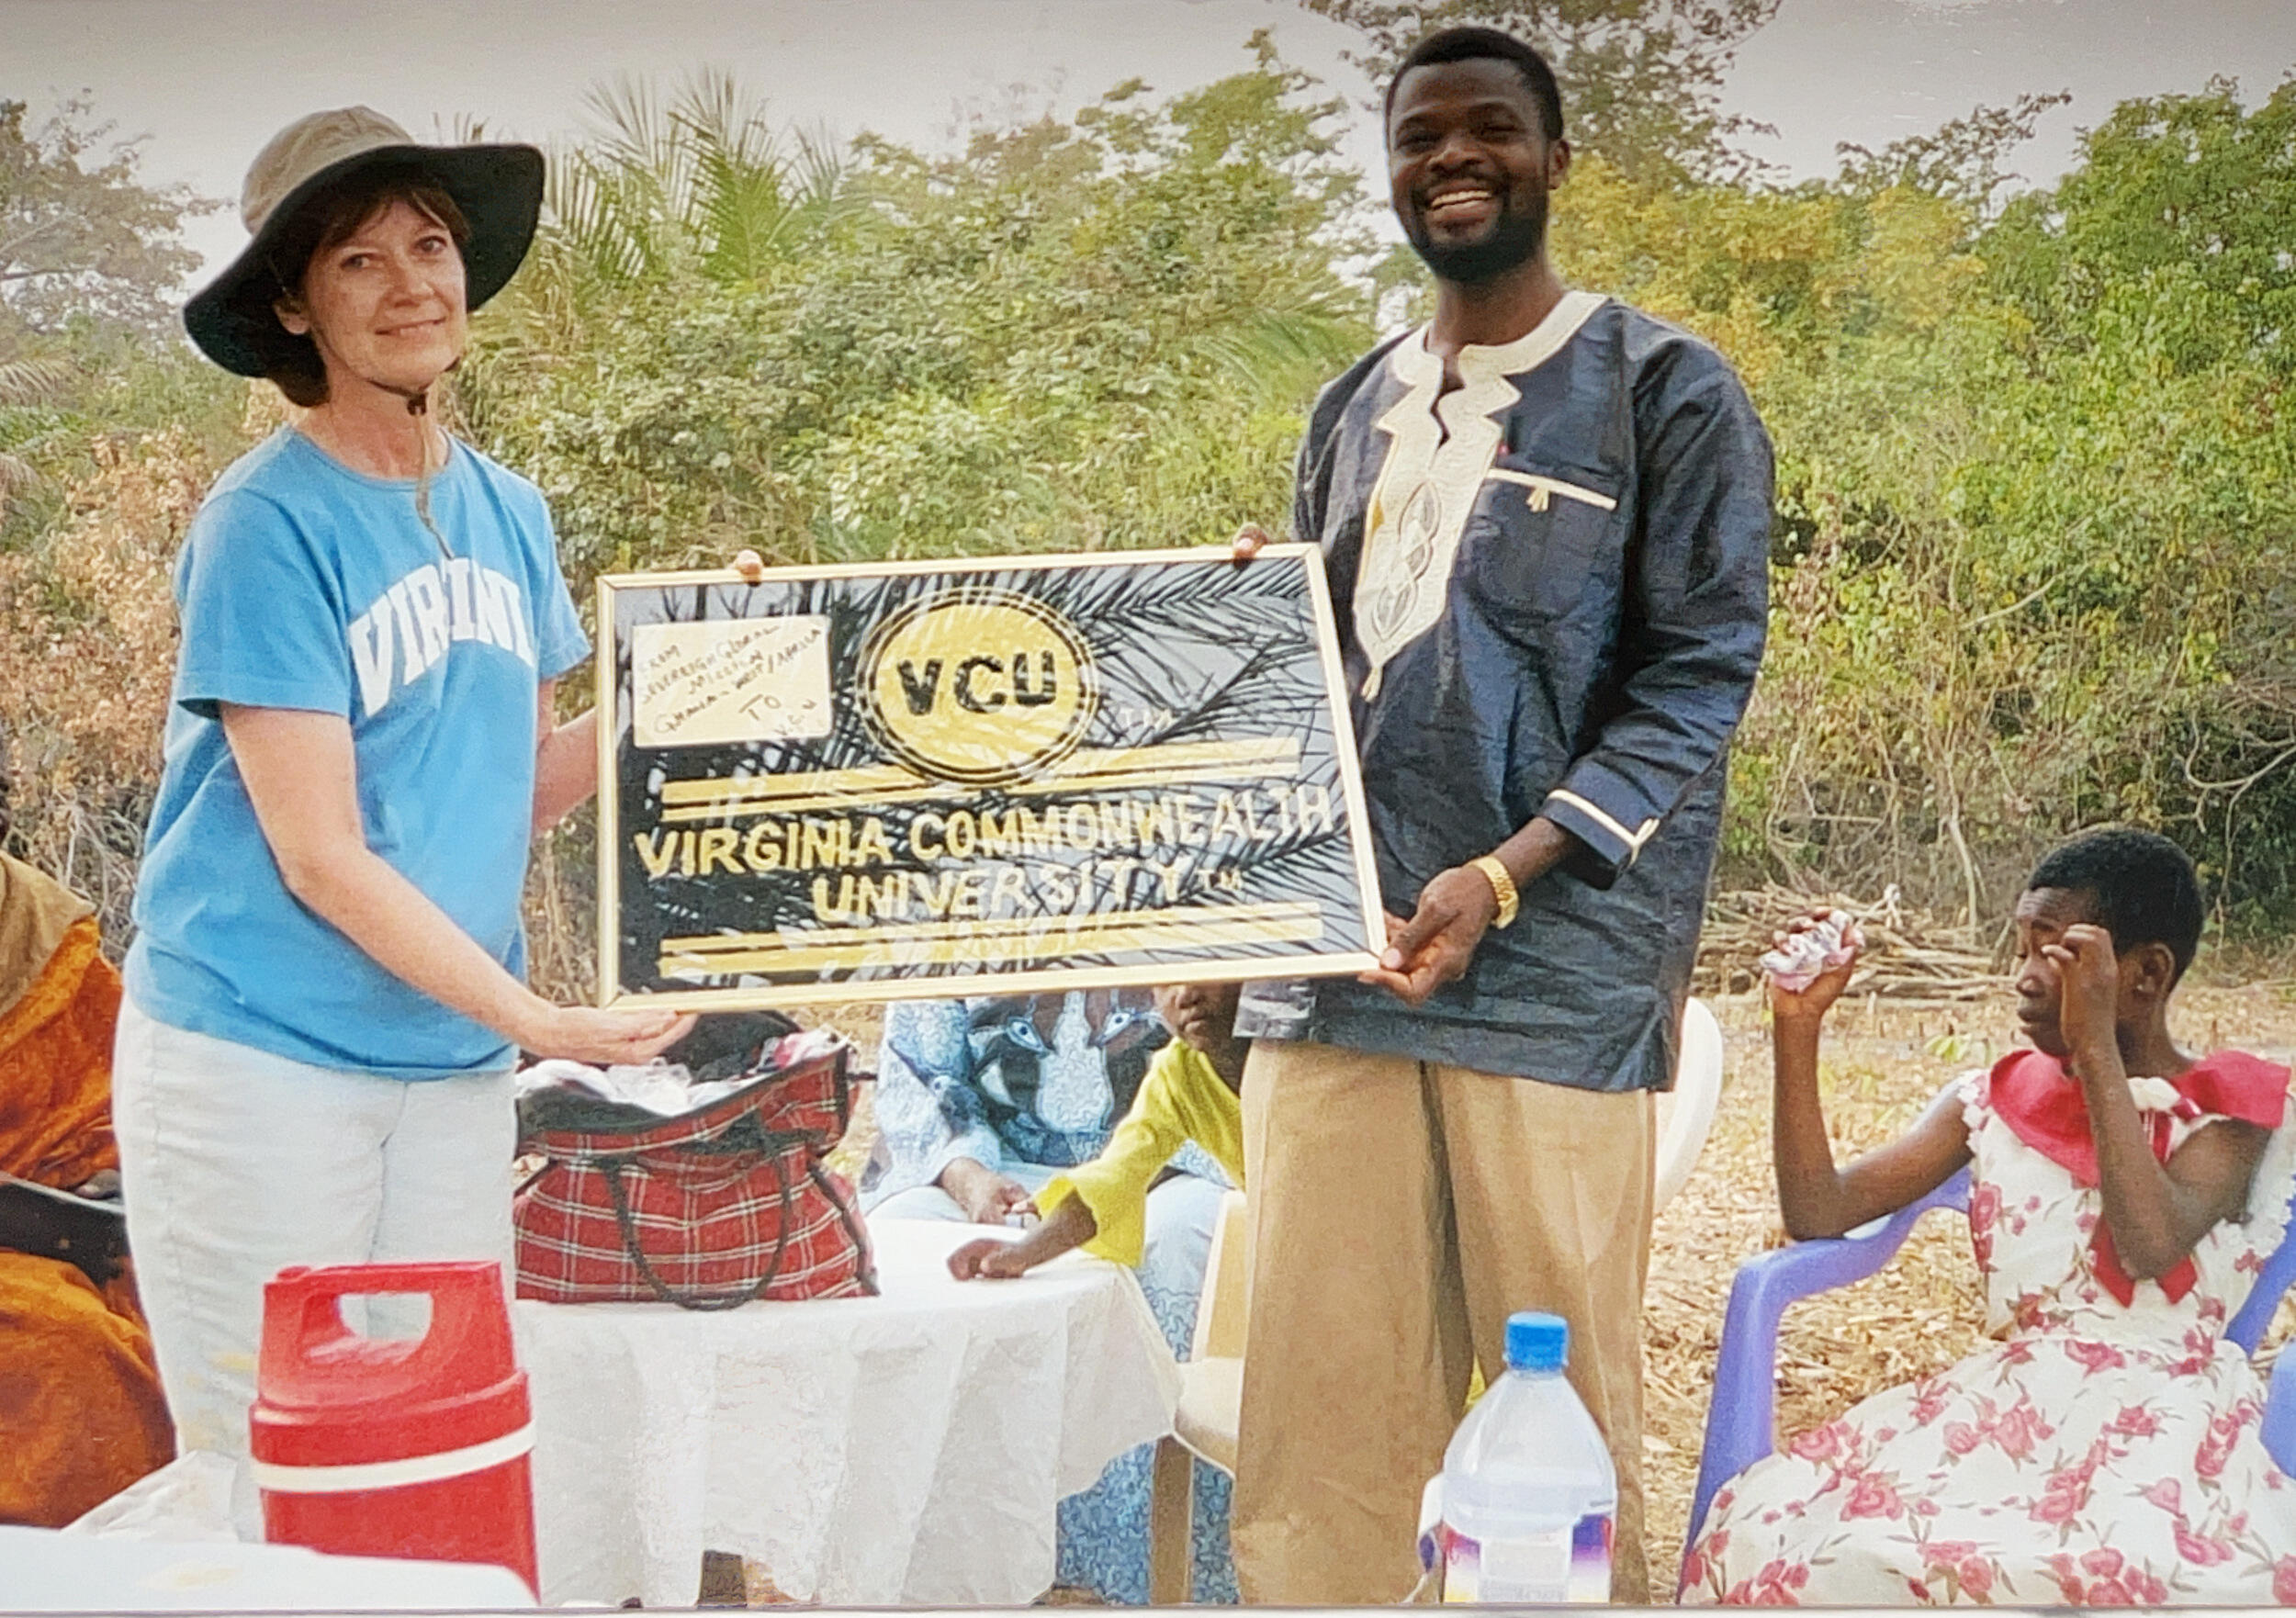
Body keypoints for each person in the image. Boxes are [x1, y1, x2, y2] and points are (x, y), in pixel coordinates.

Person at [1222, 25, 1773, 1603]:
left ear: (1555, 159)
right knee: (1319, 1429)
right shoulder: (1352, 404)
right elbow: (1308, 688)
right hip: (1335, 978)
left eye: (1490, 131)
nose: (1453, 160)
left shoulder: (1668, 391)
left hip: (1551, 986)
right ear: (1391, 170)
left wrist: (1503, 876)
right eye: (1421, 138)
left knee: (1557, 1446)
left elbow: (1695, 679)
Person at [115, 108, 689, 1485]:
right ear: (294, 307)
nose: (412, 283)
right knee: (269, 1472)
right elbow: (320, 855)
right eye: (359, 261)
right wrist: (541, 1019)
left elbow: (525, 787)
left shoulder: (512, 511)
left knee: (429, 1458)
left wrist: (698, 676)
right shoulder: (267, 521)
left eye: (429, 245)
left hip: (443, 1070)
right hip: (256, 1057)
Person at [1683, 829, 2296, 1605]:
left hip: (2165, 1434)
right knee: (1820, 1549)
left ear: (2144, 975)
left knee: (2144, 1579)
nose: (2025, 978)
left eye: (2057, 956)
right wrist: (1798, 1029)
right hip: (2004, 1419)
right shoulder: (1994, 1101)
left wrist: (2094, 1049)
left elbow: (2149, 1241)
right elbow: (1817, 1209)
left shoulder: (2229, 1114)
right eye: (2022, 951)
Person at [862, 986, 1234, 1602]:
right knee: (903, 1239)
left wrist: (1058, 1223)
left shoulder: (1185, 892)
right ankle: (937, 1582)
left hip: (1166, 1169)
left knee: (1176, 1242)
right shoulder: (948, 896)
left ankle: (1145, 1579)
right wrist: (969, 1175)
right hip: (985, 1168)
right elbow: (921, 1073)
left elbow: (1204, 1072)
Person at [0, 849, 174, 1525]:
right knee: (60, 1347)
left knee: (94, 1344)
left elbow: (118, 1112)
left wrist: (93, 1197)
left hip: (57, 1228)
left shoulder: (31, 929)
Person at [945, 982, 1246, 1279]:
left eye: (1206, 974)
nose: (1185, 995)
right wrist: (1022, 1253)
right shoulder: (1177, 1074)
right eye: (1166, 982)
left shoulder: (1288, 1054)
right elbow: (1113, 1180)